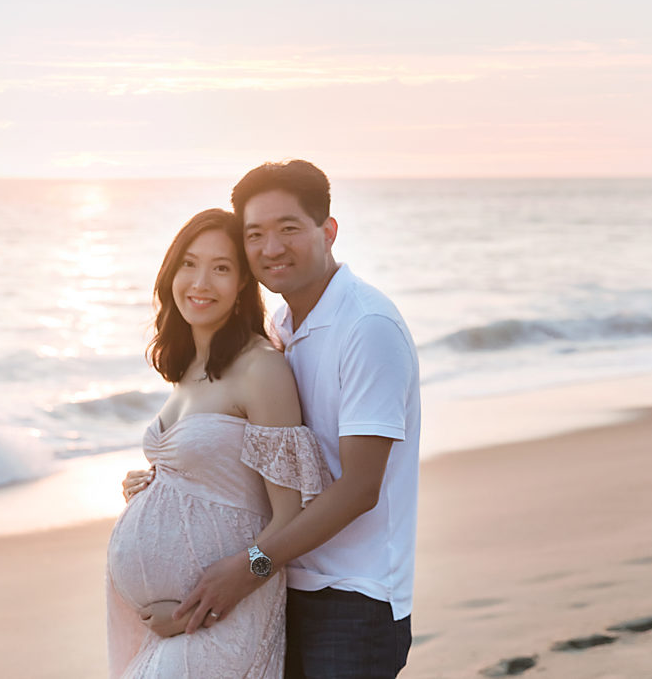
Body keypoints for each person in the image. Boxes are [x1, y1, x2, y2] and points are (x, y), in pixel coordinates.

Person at [124, 161, 421, 678]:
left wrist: (248, 568)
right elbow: (262, 458)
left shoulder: (366, 327)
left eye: (289, 229)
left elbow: (359, 488)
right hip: (285, 586)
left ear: (327, 231)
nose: (272, 248)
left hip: (351, 597)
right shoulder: (282, 326)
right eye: (255, 234)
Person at [106, 208, 332, 677]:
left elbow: (291, 516)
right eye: (189, 263)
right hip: (181, 627)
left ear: (244, 285)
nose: (200, 281)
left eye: (222, 268)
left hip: (224, 619)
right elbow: (220, 475)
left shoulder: (261, 368)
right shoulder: (188, 369)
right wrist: (157, 486)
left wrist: (201, 605)